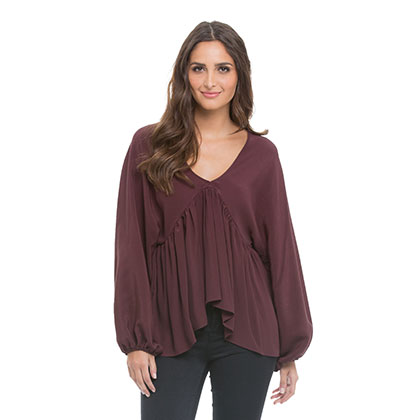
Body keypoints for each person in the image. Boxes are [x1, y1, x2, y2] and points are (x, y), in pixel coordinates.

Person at [114, 20, 313, 420]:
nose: (210, 81)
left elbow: (280, 251)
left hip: (250, 332)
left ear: (240, 75)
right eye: (198, 68)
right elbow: (130, 248)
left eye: (223, 68)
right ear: (183, 74)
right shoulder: (149, 146)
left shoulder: (262, 155)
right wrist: (136, 340)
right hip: (167, 333)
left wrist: (289, 350)